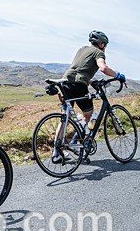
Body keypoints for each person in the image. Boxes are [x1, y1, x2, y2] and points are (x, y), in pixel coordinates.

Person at [53, 30, 126, 162]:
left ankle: (56, 152)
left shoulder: (82, 49)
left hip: (65, 83)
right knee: (89, 114)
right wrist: (118, 75)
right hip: (78, 86)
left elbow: (78, 70)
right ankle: (76, 141)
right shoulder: (98, 53)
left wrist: (91, 82)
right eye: (106, 45)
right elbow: (103, 68)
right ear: (102, 44)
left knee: (65, 117)